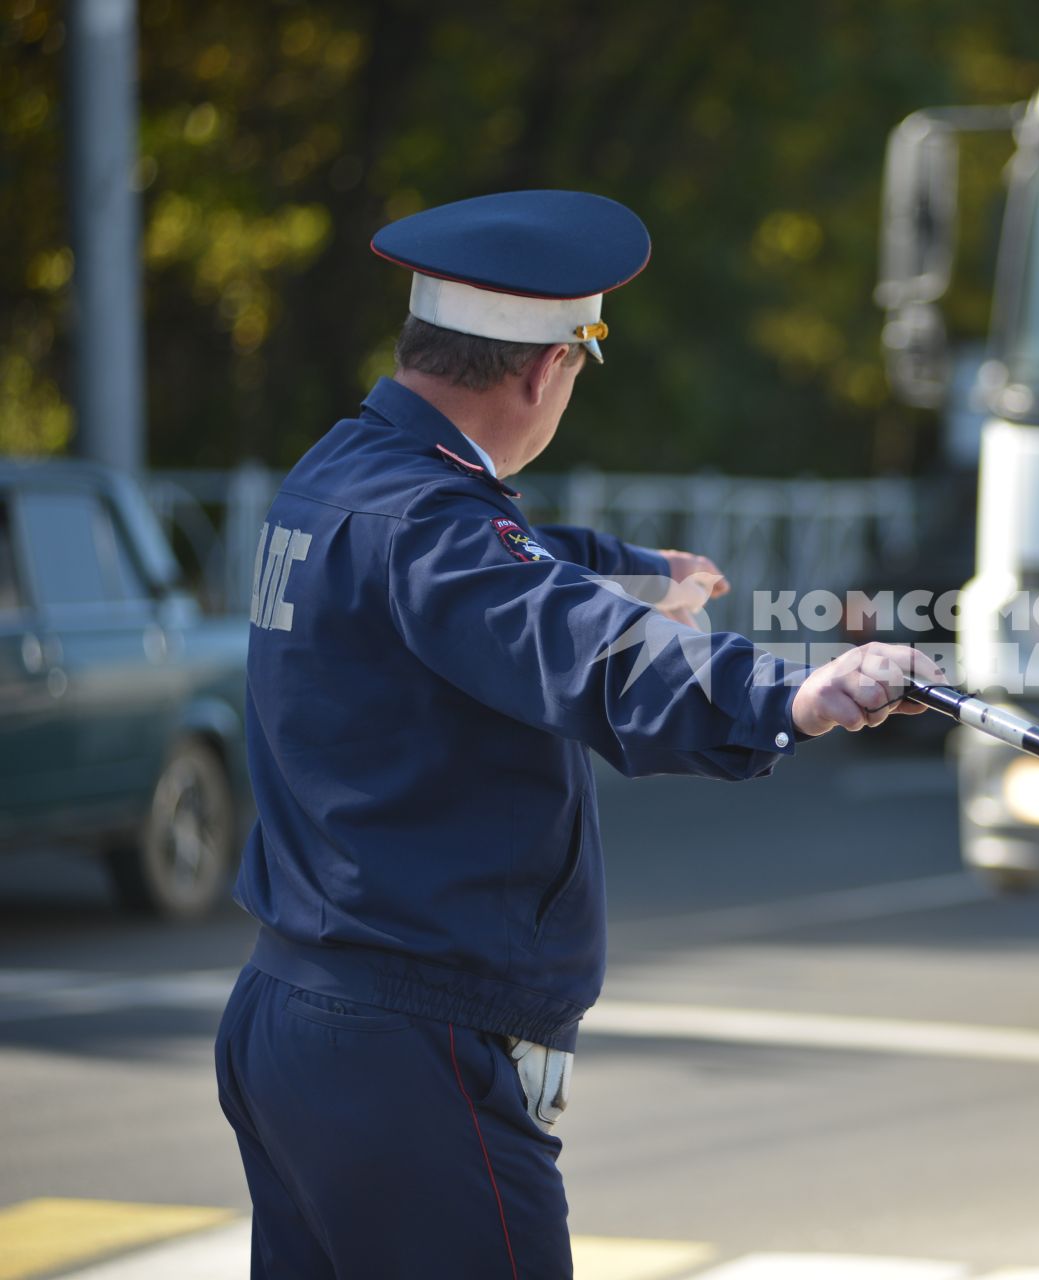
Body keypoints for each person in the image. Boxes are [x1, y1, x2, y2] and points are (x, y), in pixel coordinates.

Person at [213, 189, 942, 1278]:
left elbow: (507, 563)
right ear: (544, 369)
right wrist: (792, 692)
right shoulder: (430, 523)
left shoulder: (340, 476)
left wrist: (631, 569)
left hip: (293, 1014)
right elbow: (570, 638)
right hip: (412, 1050)